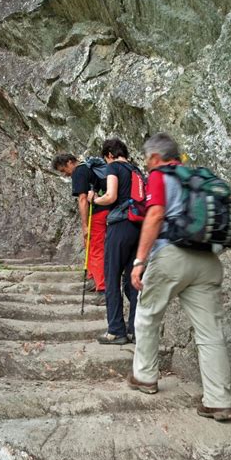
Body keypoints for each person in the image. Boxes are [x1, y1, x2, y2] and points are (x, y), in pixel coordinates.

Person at [129, 133, 231, 420]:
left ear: (154, 157)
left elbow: (154, 216)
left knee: (147, 315)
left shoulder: (160, 176)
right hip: (208, 260)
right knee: (210, 331)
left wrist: (139, 261)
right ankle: (218, 400)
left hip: (171, 256)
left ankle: (145, 376)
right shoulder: (198, 178)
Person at [87, 138, 141, 345]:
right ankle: (135, 329)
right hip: (138, 226)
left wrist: (94, 199)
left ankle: (116, 330)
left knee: (112, 277)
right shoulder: (136, 170)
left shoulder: (114, 167)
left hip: (120, 225)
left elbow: (110, 196)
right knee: (133, 279)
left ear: (109, 154)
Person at [53, 153, 107, 305]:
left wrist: (85, 225)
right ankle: (93, 278)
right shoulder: (89, 169)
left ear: (70, 162)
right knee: (93, 246)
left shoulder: (79, 171)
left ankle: (103, 289)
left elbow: (83, 200)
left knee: (95, 248)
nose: (65, 174)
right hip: (108, 209)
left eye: (64, 170)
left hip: (97, 213)